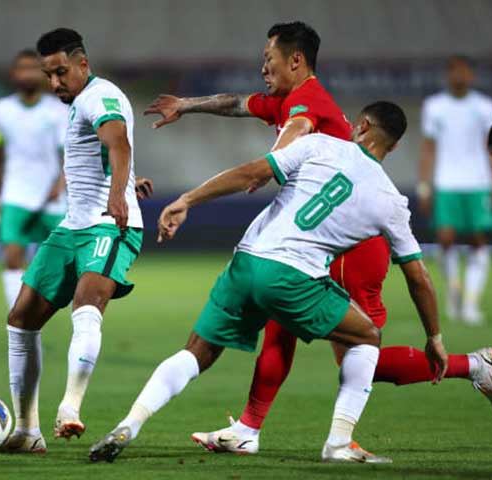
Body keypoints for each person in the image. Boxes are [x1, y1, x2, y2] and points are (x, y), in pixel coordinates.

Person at [145, 23, 492, 455]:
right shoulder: (282, 100)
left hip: (351, 241)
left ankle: (471, 366)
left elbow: (296, 130)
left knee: (359, 352)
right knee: (288, 325)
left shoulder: (306, 101)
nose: (263, 67)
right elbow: (236, 103)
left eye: (269, 59)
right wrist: (186, 104)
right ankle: (248, 428)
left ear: (294, 61)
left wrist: (272, 164)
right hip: (323, 234)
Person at [89, 102, 447, 464]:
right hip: (293, 276)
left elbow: (251, 173)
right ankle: (338, 442)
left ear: (361, 125)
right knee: (367, 335)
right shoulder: (391, 202)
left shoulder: (318, 145)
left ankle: (131, 423)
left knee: (196, 352)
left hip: (246, 260)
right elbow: (418, 277)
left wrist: (187, 199)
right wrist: (433, 337)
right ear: (395, 145)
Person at [0, 28, 145, 453]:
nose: (55, 83)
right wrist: (127, 181)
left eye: (61, 72)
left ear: (83, 63)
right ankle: (28, 432)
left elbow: (117, 141)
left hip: (109, 226)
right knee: (21, 318)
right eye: (49, 75)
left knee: (87, 303)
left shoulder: (101, 96)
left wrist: (118, 193)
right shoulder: (80, 100)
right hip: (73, 226)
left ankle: (70, 406)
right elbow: (106, 155)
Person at [418, 55, 492, 324]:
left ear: (471, 75)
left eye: (463, 71)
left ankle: (471, 302)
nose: (459, 76)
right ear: (448, 75)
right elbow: (428, 148)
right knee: (445, 238)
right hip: (446, 181)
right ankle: (454, 291)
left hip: (478, 182)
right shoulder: (434, 106)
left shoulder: (485, 107)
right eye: (453, 71)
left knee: (478, 240)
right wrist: (424, 185)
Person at [0, 49, 68, 309]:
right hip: (15, 195)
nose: (28, 73)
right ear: (14, 74)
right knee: (12, 257)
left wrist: (60, 184)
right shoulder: (1, 111)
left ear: (43, 74)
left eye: (34, 68)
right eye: (22, 68)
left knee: (68, 261)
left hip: (52, 196)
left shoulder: (57, 111)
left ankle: (76, 319)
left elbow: (66, 154)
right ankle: (18, 316)